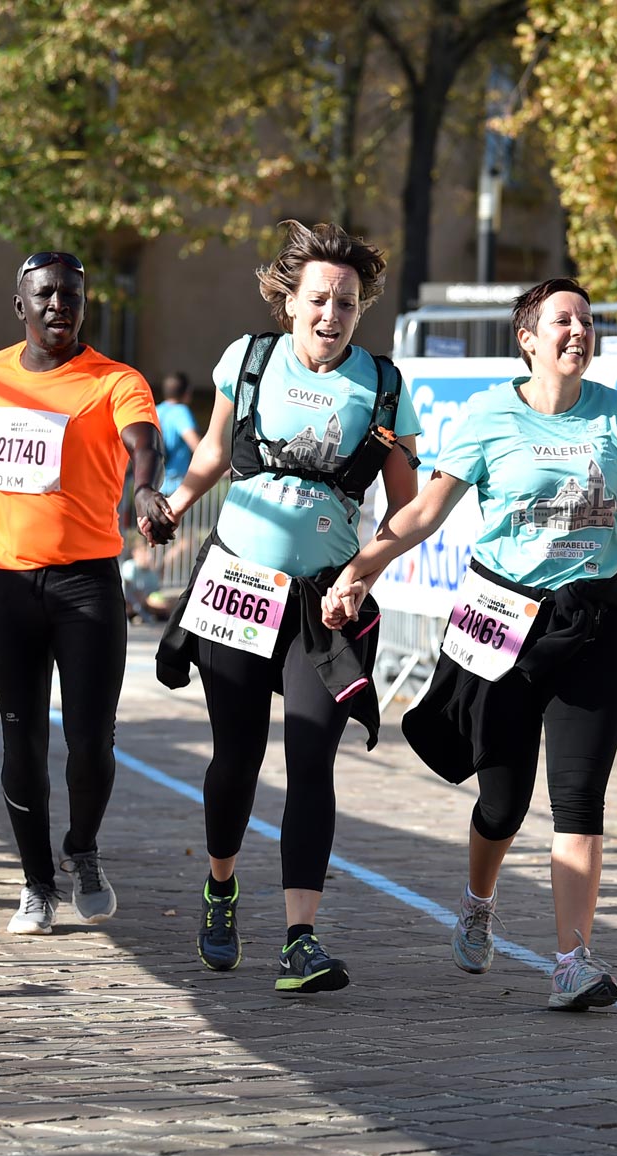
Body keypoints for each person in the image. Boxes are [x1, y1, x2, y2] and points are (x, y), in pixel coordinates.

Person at [323, 277, 617, 1011]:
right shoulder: (487, 416)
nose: (579, 332)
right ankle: (478, 901)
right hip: (504, 623)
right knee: (503, 800)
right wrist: (361, 569)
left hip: (594, 622)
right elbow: (425, 511)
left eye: (588, 322)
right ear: (527, 338)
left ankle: (572, 960)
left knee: (579, 797)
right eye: (563, 321)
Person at [145, 220, 421, 995]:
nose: (331, 315)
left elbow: (405, 508)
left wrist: (364, 571)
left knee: (311, 760)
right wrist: (173, 503)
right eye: (319, 300)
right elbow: (210, 453)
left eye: (347, 303)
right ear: (288, 302)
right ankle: (222, 887)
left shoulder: (385, 385)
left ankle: (301, 938)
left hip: (324, 605)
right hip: (238, 582)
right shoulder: (250, 358)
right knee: (236, 757)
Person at [0, 251, 173, 936]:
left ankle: (81, 848)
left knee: (90, 743)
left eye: (71, 296)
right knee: (19, 739)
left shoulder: (115, 380)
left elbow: (143, 442)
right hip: (4, 583)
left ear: (85, 305)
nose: (59, 306)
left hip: (86, 585)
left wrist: (143, 487)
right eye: (46, 296)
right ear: (19, 306)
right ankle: (35, 884)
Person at [156, 372, 200, 492]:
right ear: (187, 393)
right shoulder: (181, 412)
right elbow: (194, 444)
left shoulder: (156, 410)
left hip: (155, 484)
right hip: (176, 486)